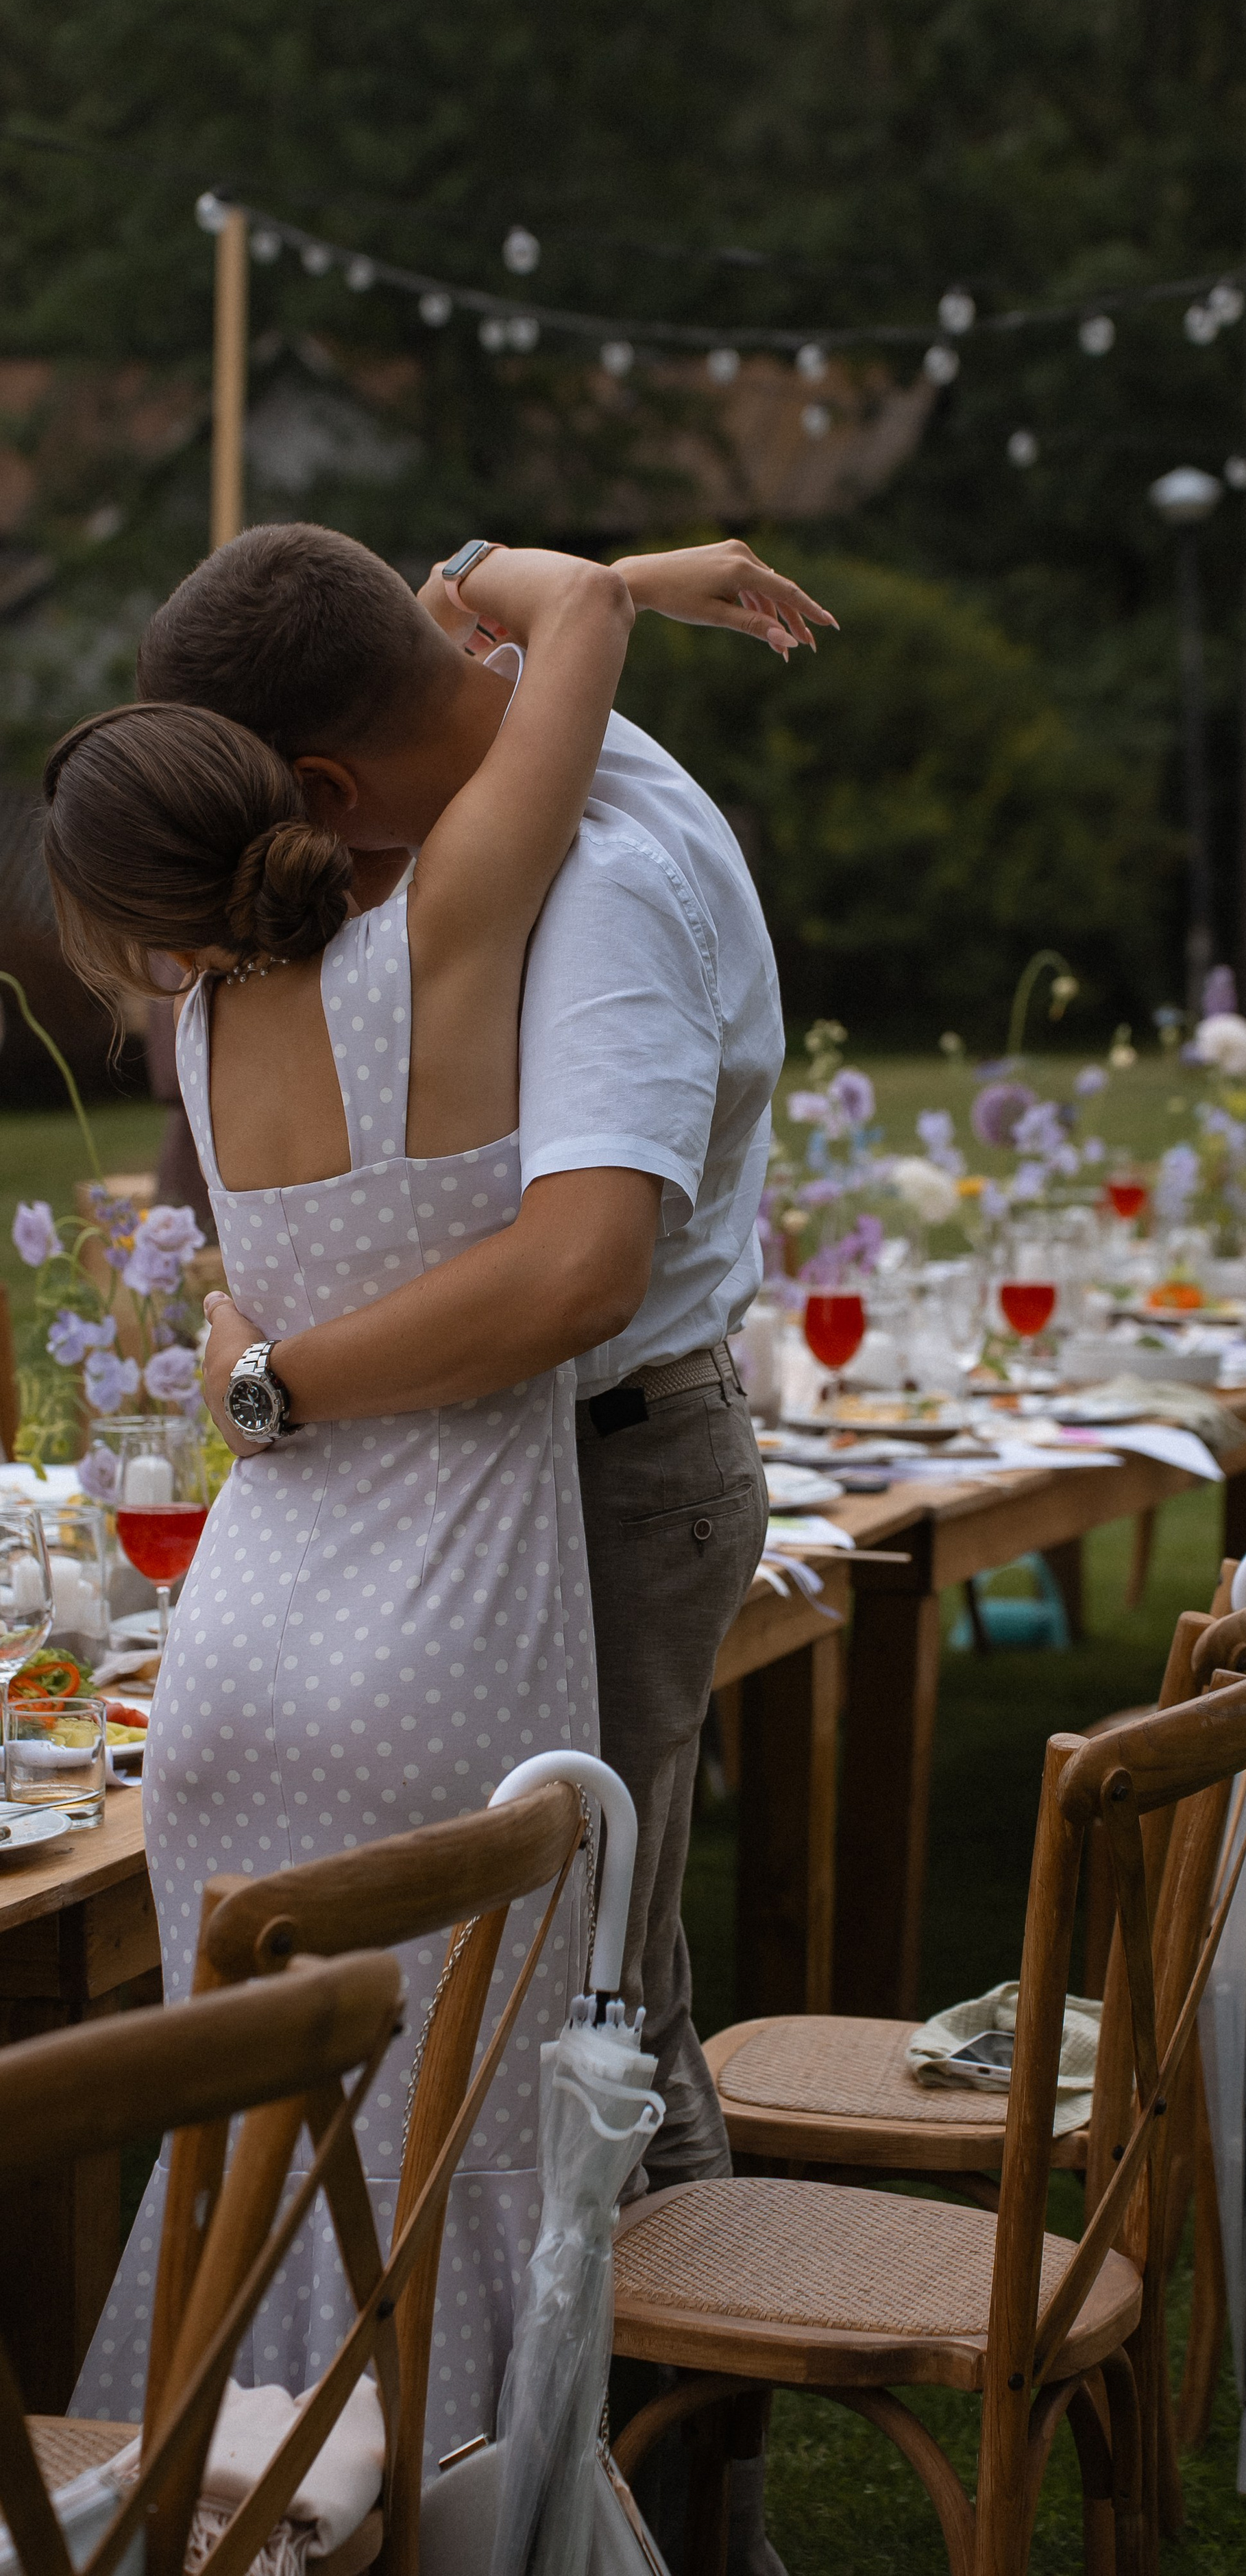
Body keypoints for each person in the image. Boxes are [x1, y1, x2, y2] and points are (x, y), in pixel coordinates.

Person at [49, 531, 824, 2475]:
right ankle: (524, 2492)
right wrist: (614, 569)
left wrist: (262, 1374)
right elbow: (535, 622)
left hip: (252, 1614)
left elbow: (391, 634)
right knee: (537, 2068)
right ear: (314, 802)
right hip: (473, 1589)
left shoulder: (198, 1030)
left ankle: (243, 2466)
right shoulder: (477, 906)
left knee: (267, 2099)